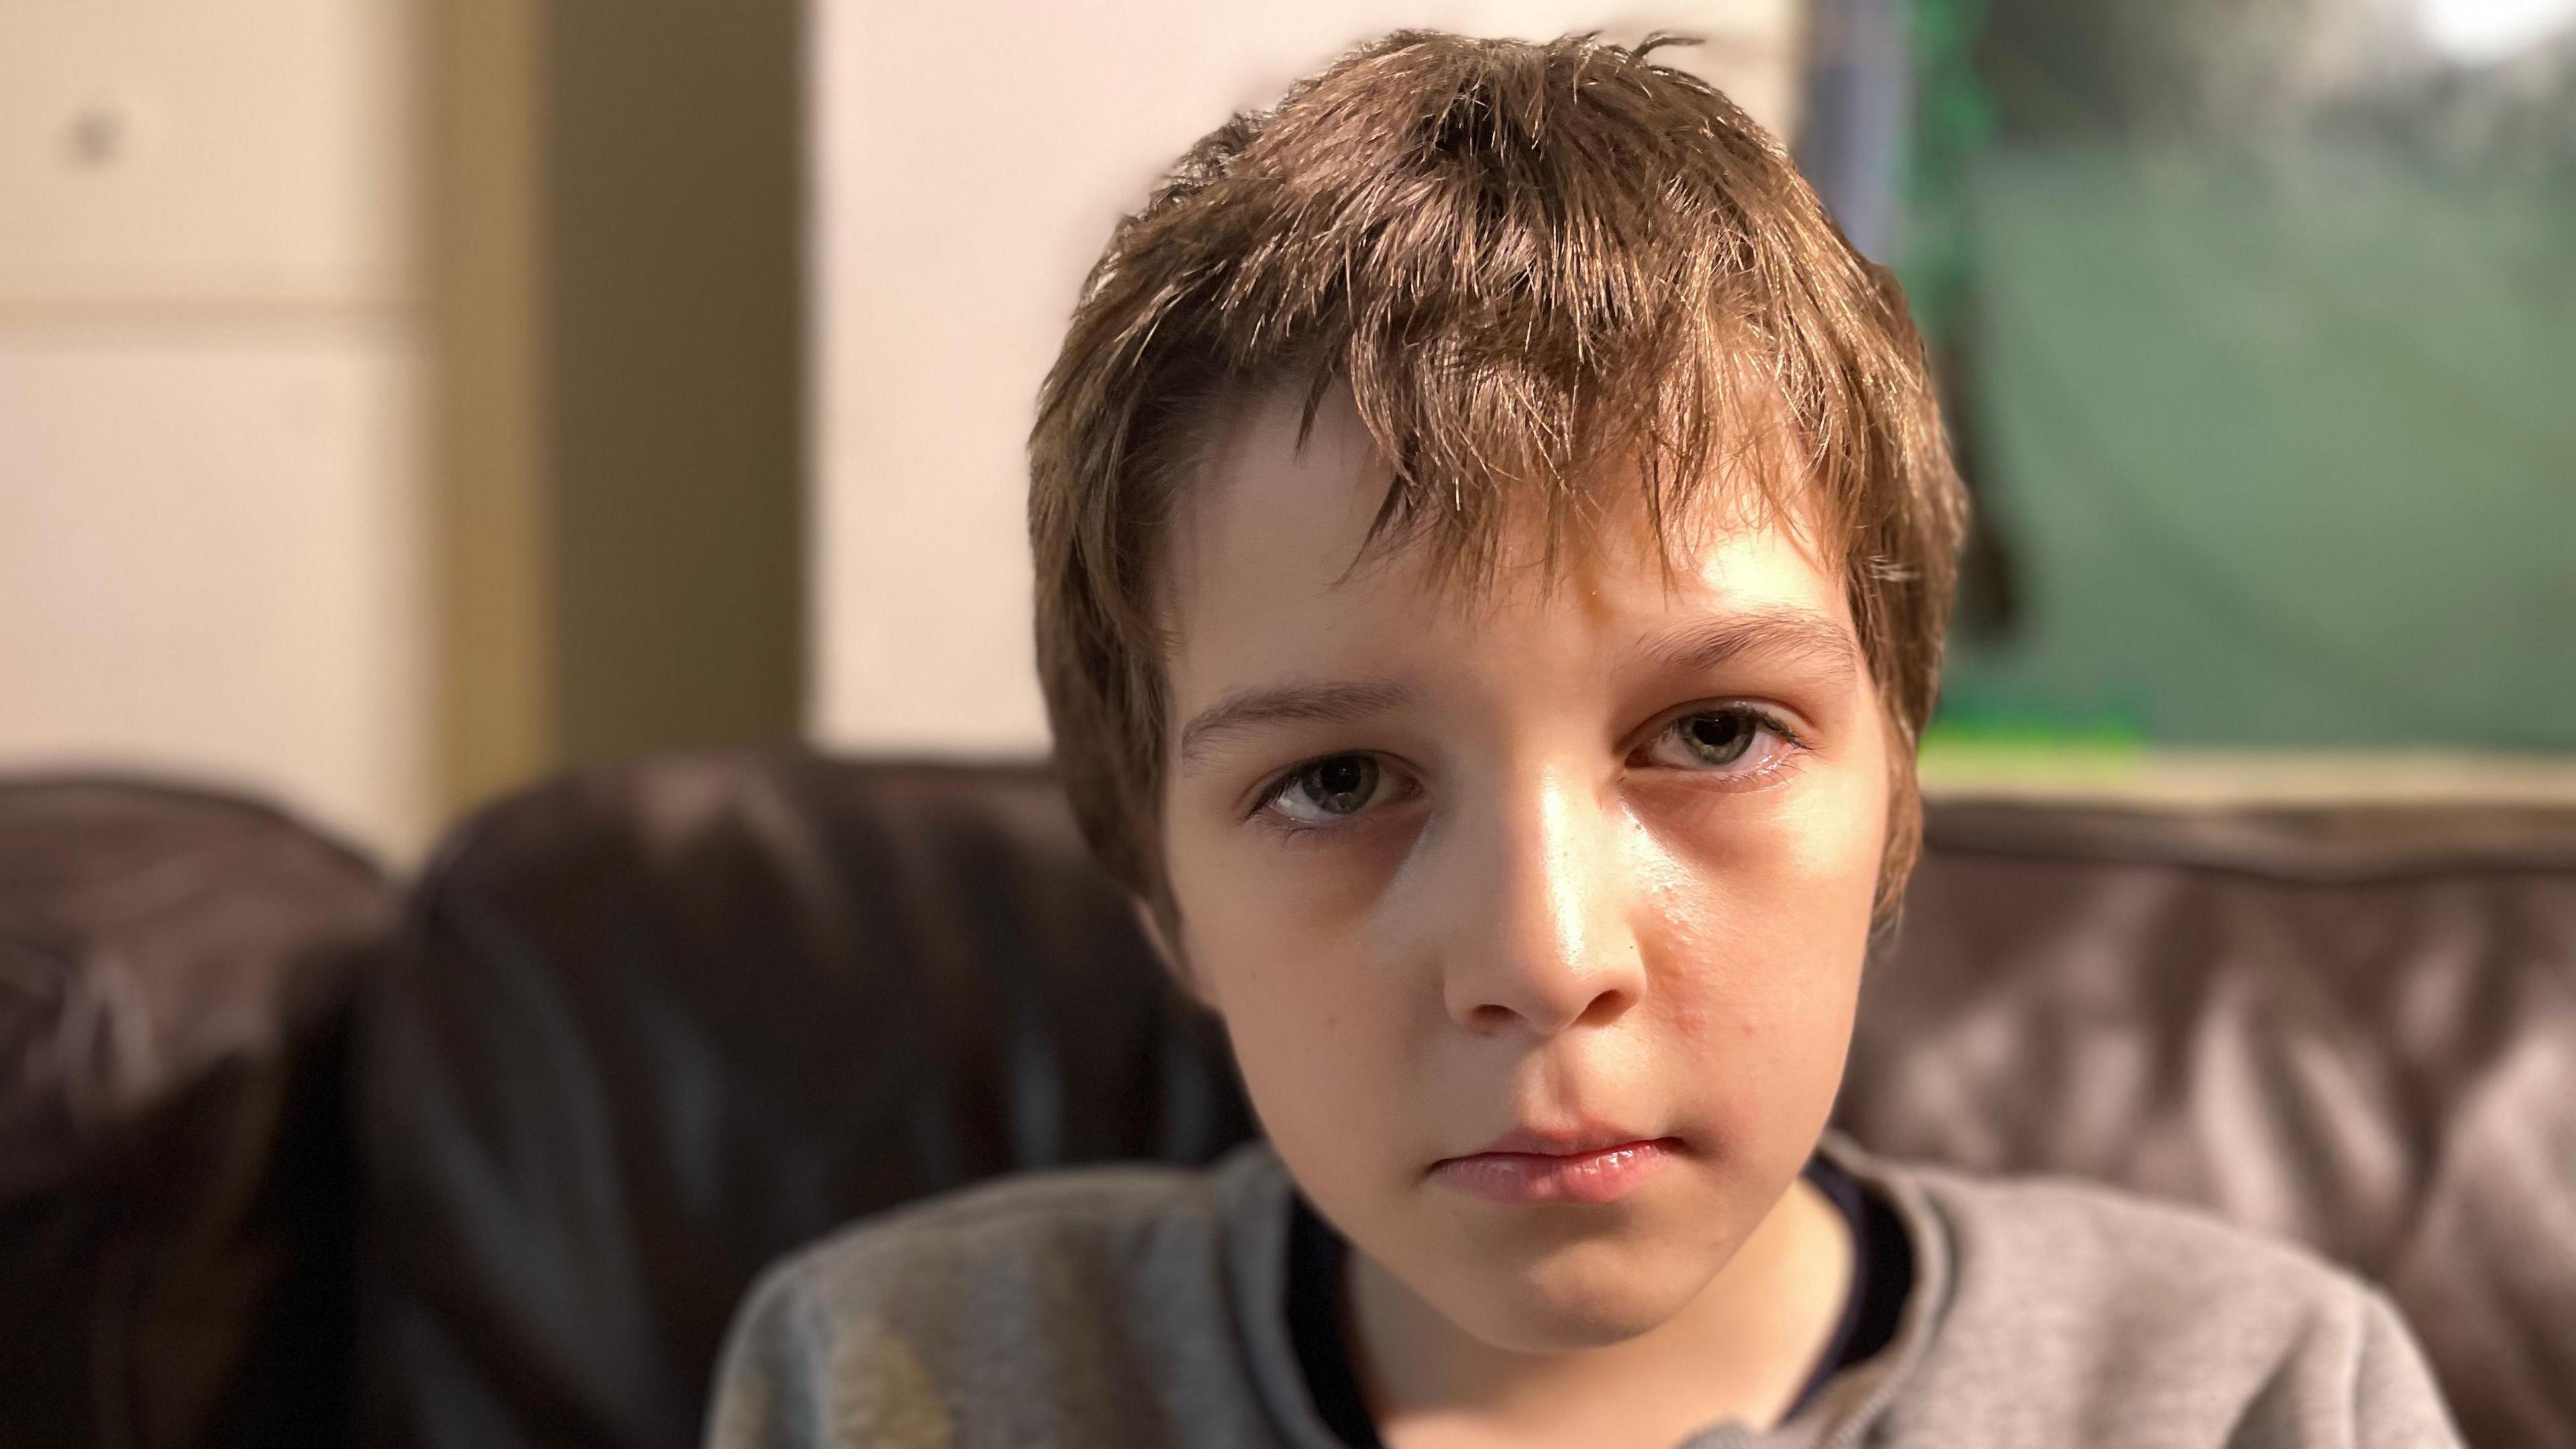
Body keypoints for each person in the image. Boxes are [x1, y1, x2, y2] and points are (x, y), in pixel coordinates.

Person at [706, 32, 2459, 1448]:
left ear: (1897, 800)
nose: (1545, 961)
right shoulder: (900, 1379)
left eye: (1710, 733)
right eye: (1333, 783)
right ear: (1162, 895)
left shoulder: (2254, 1395)